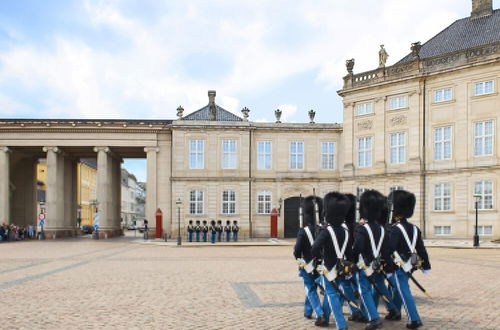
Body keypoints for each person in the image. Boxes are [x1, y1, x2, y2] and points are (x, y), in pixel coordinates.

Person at [384, 190, 431, 329]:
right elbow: (421, 249)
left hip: (399, 265)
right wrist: (426, 265)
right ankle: (396, 312)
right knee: (398, 288)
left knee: (404, 291)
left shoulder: (394, 229)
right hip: (410, 264)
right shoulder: (415, 228)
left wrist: (388, 266)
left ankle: (414, 319)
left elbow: (389, 249)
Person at [311, 192, 351, 330]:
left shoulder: (326, 231)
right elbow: (349, 251)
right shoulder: (346, 231)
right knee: (333, 293)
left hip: (329, 267)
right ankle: (326, 318)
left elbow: (314, 248)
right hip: (342, 267)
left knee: (332, 294)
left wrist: (320, 257)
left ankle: (341, 324)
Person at [352, 189, 386, 330]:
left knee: (364, 291)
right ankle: (367, 313)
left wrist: (352, 261)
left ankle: (374, 318)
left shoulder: (362, 228)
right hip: (377, 264)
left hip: (365, 265)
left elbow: (358, 247)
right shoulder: (382, 229)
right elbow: (386, 248)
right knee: (374, 290)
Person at [294, 195, 327, 327]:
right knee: (312, 287)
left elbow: (297, 250)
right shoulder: (324, 230)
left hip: (307, 263)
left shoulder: (303, 231)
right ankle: (308, 310)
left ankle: (320, 314)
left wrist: (299, 260)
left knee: (310, 288)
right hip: (321, 265)